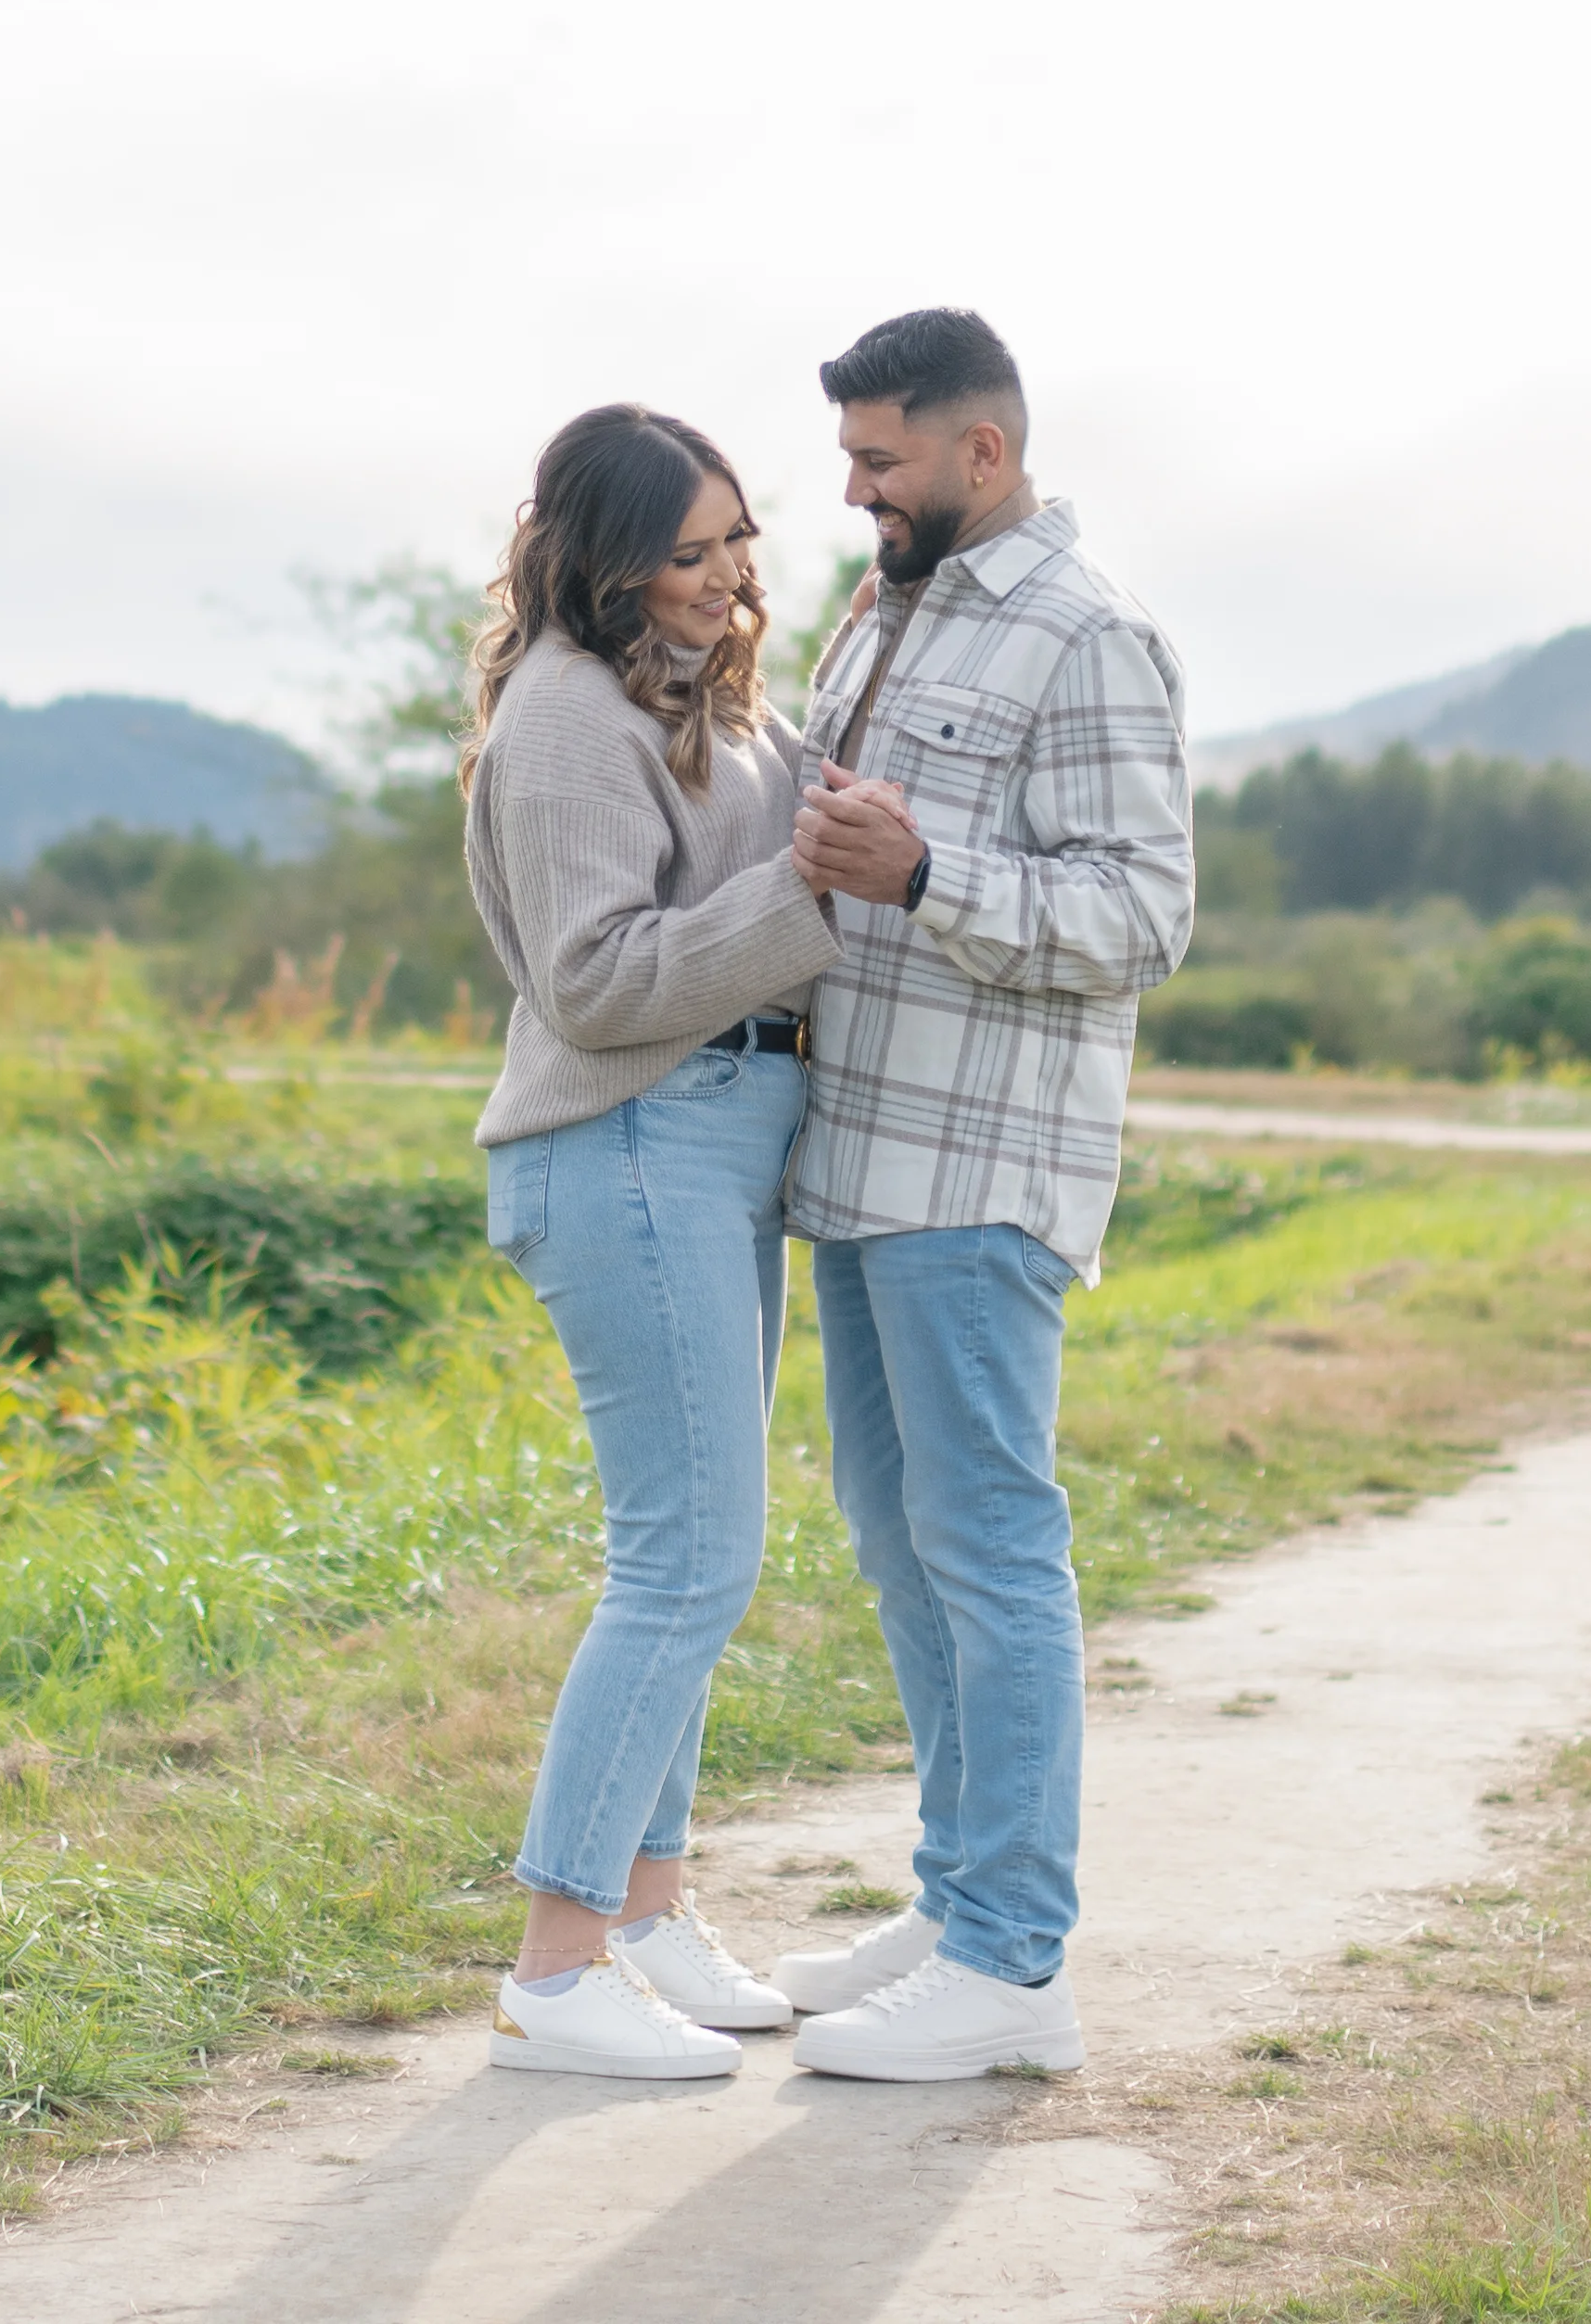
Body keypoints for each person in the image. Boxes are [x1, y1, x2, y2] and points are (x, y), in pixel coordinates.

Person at [764, 307, 1194, 2081]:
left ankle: (1018, 1966)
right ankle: (956, 1905)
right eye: (850, 457)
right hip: (855, 1158)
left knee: (994, 1552)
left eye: (880, 460)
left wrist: (931, 871)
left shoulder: (1093, 640)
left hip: (979, 1168)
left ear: (982, 456)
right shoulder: (884, 603)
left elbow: (1142, 918)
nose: (853, 489)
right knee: (901, 1541)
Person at [452, 402, 847, 2077]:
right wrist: (815, 892)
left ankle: (652, 1914)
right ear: (599, 565)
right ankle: (556, 1969)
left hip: (706, 1152)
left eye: (735, 541)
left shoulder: (700, 700)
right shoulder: (559, 717)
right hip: (624, 1146)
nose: (721, 576)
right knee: (685, 1561)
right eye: (684, 555)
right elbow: (600, 979)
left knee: (698, 1554)